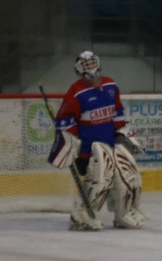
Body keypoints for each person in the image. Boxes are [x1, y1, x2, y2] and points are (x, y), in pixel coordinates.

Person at [48, 50, 148, 231]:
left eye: (93, 63)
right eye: (86, 64)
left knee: (130, 178)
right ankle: (81, 215)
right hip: (90, 148)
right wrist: (74, 145)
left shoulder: (110, 84)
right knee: (99, 181)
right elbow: (64, 120)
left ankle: (123, 213)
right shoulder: (76, 92)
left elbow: (117, 111)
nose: (91, 67)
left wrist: (122, 132)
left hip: (111, 144)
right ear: (79, 69)